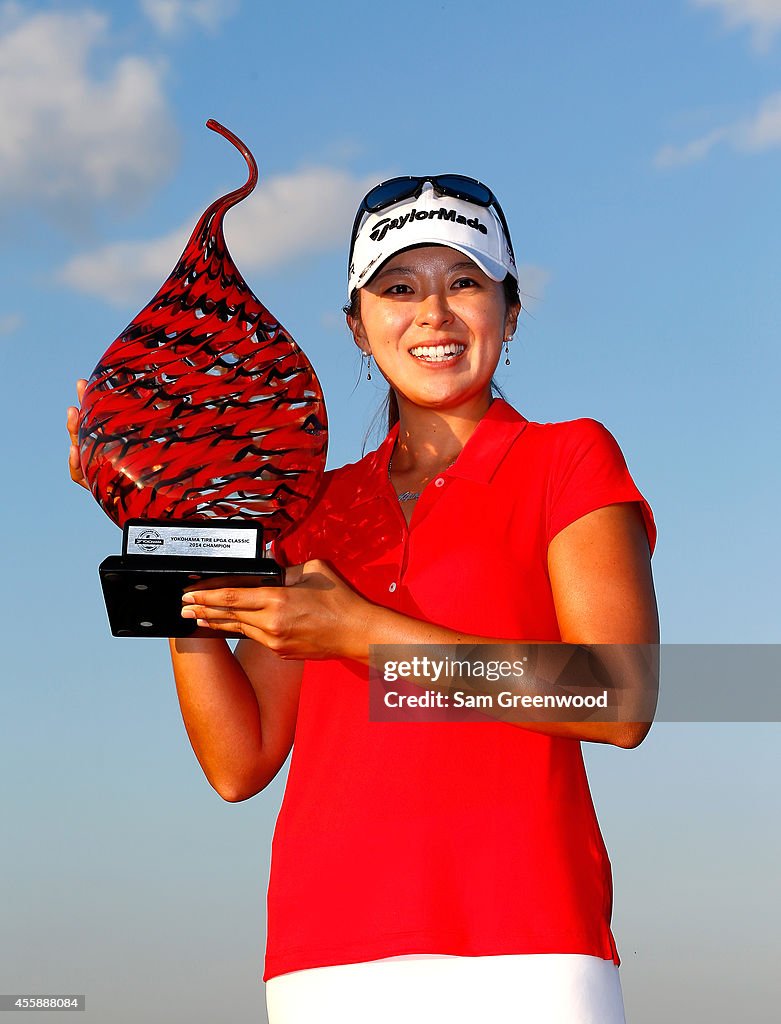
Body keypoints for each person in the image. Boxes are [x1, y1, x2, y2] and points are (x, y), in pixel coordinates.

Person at [68, 174, 659, 1024]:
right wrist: (170, 543)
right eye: (397, 288)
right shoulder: (314, 507)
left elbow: (618, 694)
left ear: (511, 309)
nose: (432, 313)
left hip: (529, 947)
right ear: (357, 324)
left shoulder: (567, 459)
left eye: (464, 281)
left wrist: (361, 632)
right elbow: (240, 764)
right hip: (325, 957)